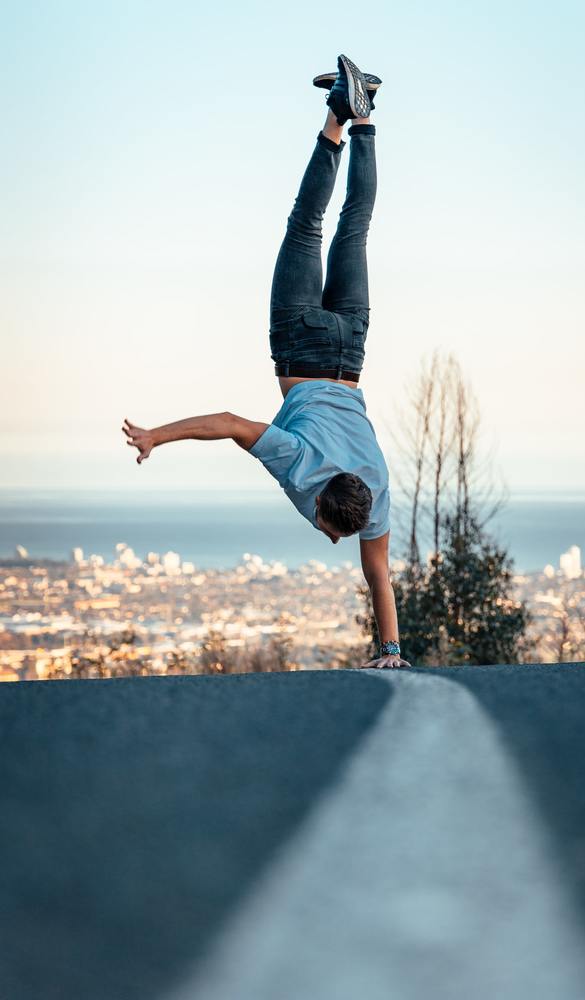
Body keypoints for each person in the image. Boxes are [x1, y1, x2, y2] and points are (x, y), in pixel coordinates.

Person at [123, 54, 410, 669]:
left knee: (353, 230)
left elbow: (380, 577)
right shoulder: (298, 467)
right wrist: (156, 436)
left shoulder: (377, 491)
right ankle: (341, 113)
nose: (334, 538)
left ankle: (358, 113)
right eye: (333, 532)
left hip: (351, 349)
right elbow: (228, 422)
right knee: (307, 226)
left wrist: (393, 650)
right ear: (324, 511)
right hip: (301, 345)